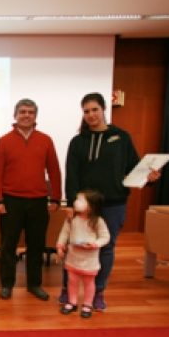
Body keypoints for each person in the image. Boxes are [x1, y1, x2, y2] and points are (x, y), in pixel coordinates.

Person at [60, 92, 161, 311]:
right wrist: (70, 204)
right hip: (84, 206)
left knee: (105, 248)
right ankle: (67, 290)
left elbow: (134, 170)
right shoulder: (78, 142)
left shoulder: (121, 138)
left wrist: (149, 178)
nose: (91, 115)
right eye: (86, 111)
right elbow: (72, 175)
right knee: (73, 246)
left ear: (104, 109)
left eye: (94, 109)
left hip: (114, 203)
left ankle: (97, 293)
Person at [0, 98, 62, 301]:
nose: (26, 115)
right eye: (22, 112)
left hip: (38, 201)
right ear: (15, 115)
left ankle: (34, 284)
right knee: (8, 246)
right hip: (11, 201)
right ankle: (7, 284)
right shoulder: (3, 141)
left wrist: (56, 196)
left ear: (35, 116)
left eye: (30, 112)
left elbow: (54, 170)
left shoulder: (46, 140)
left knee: (37, 245)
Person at [56, 189, 110, 318]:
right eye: (77, 199)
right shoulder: (72, 219)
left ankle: (87, 304)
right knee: (72, 281)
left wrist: (95, 244)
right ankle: (72, 302)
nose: (76, 202)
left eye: (80, 200)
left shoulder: (97, 221)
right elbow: (64, 233)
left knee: (89, 282)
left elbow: (105, 237)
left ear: (91, 206)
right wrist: (60, 246)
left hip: (89, 259)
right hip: (73, 257)